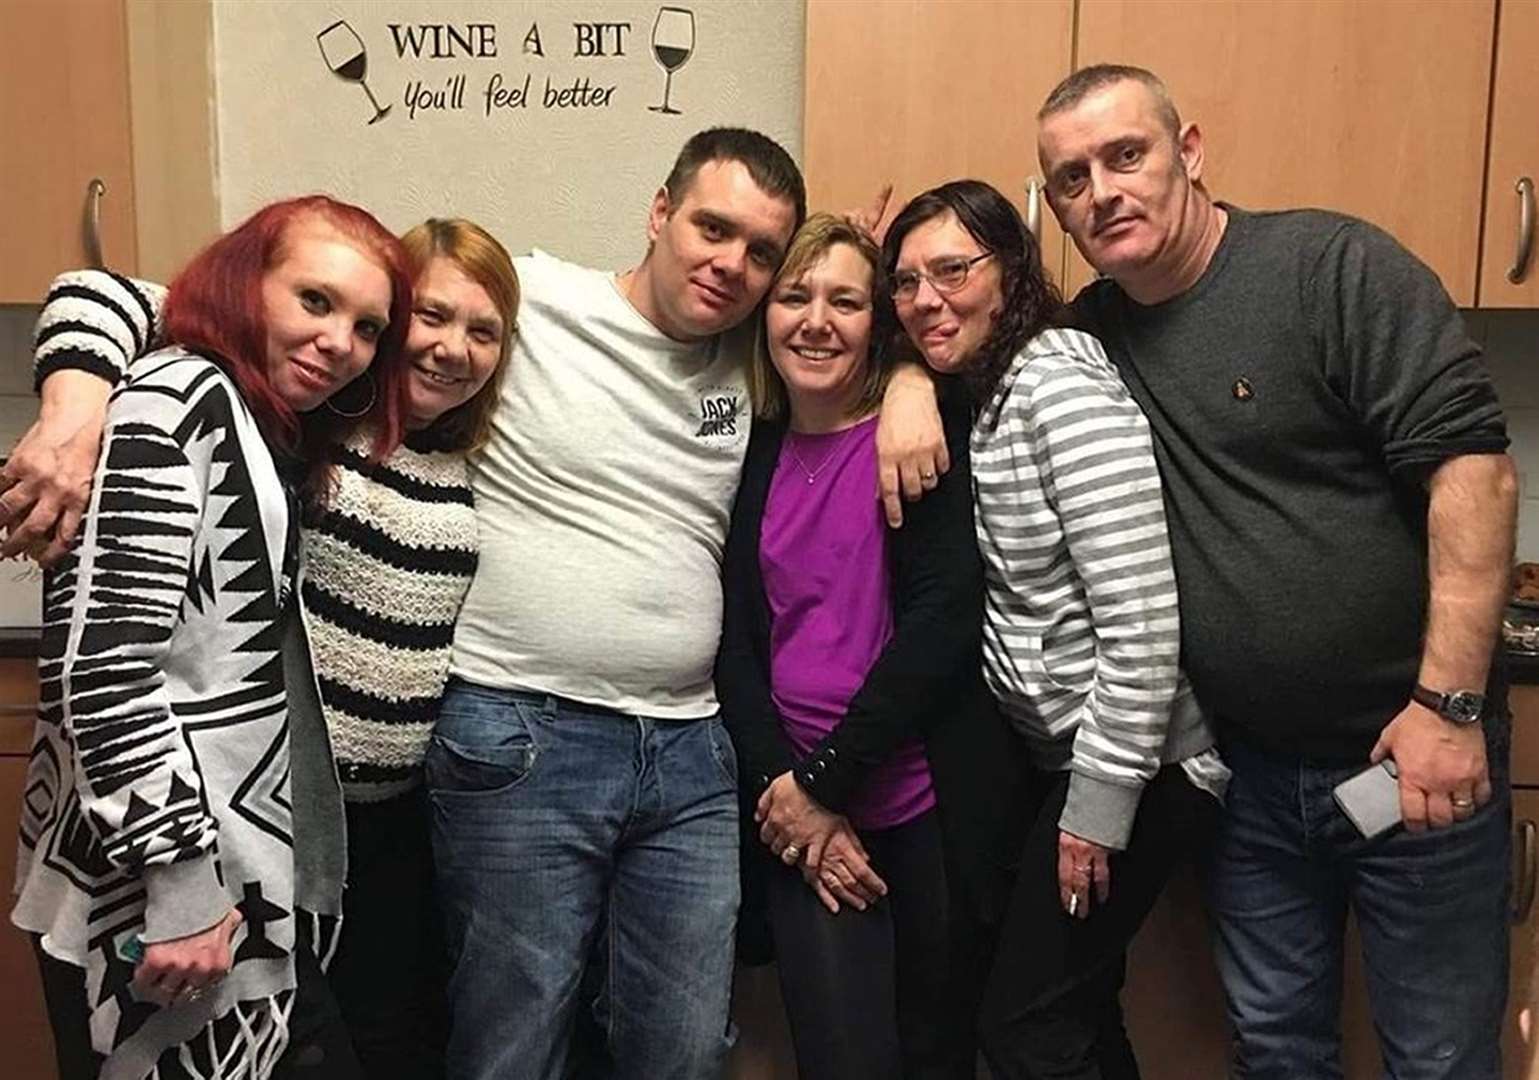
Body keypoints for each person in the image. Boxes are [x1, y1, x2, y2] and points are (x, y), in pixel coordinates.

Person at [1036, 64, 1517, 1077]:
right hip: (1248, 785)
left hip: (1405, 759)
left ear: (1190, 152)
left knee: (1437, 1057)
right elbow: (970, 338)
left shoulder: (1327, 269)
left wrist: (1450, 709)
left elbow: (1477, 476)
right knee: (1276, 1051)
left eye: (1127, 155)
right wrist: (904, 383)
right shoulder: (1092, 340)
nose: (1103, 191)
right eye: (1071, 178)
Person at [24, 217, 520, 1078]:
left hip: (336, 828)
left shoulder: (301, 422)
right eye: (315, 302)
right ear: (246, 284)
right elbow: (104, 666)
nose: (339, 341)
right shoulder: (206, 404)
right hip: (187, 841)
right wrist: (74, 398)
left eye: (364, 326)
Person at [882, 178, 1226, 1078]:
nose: (926, 299)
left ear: (1011, 268)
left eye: (952, 270)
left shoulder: (1056, 387)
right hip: (1076, 761)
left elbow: (1143, 623)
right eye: (906, 281)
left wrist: (1096, 813)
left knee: (1025, 1026)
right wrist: (908, 377)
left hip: (1143, 768)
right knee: (1071, 1010)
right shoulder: (992, 384)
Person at [715, 212, 1013, 1078]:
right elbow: (736, 640)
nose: (815, 320)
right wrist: (787, 792)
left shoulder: (915, 438)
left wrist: (822, 784)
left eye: (844, 300)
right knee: (839, 1059)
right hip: (798, 815)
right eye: (794, 297)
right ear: (762, 315)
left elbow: (941, 627)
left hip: (919, 809)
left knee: (934, 1055)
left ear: (876, 321)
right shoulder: (752, 448)